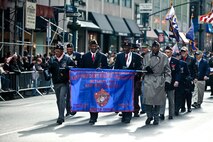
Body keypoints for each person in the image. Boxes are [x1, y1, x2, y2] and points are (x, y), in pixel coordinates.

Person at [142, 40, 171, 125]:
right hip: (149, 79)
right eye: (153, 46)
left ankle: (156, 117)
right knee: (147, 100)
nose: (154, 48)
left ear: (159, 47)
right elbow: (143, 66)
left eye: (156, 46)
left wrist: (167, 81)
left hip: (159, 80)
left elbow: (168, 71)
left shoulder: (164, 57)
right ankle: (149, 116)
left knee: (157, 101)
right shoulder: (147, 56)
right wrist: (146, 69)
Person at [81, 39, 108, 124]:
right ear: (89, 46)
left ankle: (95, 115)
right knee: (90, 99)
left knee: (97, 98)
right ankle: (92, 115)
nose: (93, 47)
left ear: (97, 46)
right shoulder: (85, 56)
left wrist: (101, 69)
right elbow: (81, 68)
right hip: (88, 81)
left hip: (99, 81)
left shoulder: (102, 56)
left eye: (95, 46)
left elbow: (106, 68)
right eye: (92, 46)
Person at [114, 41, 142, 123]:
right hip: (122, 81)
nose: (126, 49)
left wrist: (137, 76)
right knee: (123, 98)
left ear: (130, 48)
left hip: (133, 81)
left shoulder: (136, 57)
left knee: (130, 98)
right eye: (124, 47)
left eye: (128, 47)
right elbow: (116, 68)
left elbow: (139, 68)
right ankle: (124, 113)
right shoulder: (119, 56)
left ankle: (128, 115)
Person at [47, 44, 75, 125]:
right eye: (55, 51)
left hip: (64, 82)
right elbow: (48, 68)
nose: (57, 53)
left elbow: (74, 66)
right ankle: (61, 113)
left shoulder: (67, 59)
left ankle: (61, 117)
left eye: (58, 51)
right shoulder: (52, 59)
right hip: (56, 82)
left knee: (62, 98)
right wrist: (47, 74)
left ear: (62, 51)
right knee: (58, 100)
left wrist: (68, 68)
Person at [159, 46, 180, 120]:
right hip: (162, 82)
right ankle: (161, 113)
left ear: (171, 53)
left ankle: (171, 114)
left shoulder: (176, 61)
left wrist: (177, 81)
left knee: (171, 99)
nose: (166, 54)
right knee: (162, 99)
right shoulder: (161, 60)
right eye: (165, 52)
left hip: (171, 83)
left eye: (168, 52)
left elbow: (178, 72)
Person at [65, 43, 82, 116]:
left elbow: (81, 65)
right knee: (67, 95)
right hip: (66, 77)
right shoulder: (64, 56)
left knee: (75, 94)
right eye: (68, 49)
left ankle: (74, 108)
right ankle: (68, 110)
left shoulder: (77, 55)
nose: (69, 50)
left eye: (70, 49)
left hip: (76, 77)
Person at [180, 46, 196, 112]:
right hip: (181, 79)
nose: (183, 52)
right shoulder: (179, 59)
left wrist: (194, 78)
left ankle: (189, 107)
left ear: (187, 52)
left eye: (184, 51)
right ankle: (182, 107)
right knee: (182, 94)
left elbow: (195, 69)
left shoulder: (192, 59)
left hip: (189, 79)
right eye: (182, 51)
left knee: (189, 94)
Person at [140, 43, 151, 115]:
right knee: (142, 93)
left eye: (145, 48)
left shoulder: (151, 55)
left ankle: (150, 108)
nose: (143, 49)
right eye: (142, 48)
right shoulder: (141, 56)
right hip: (144, 77)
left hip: (151, 77)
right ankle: (143, 108)